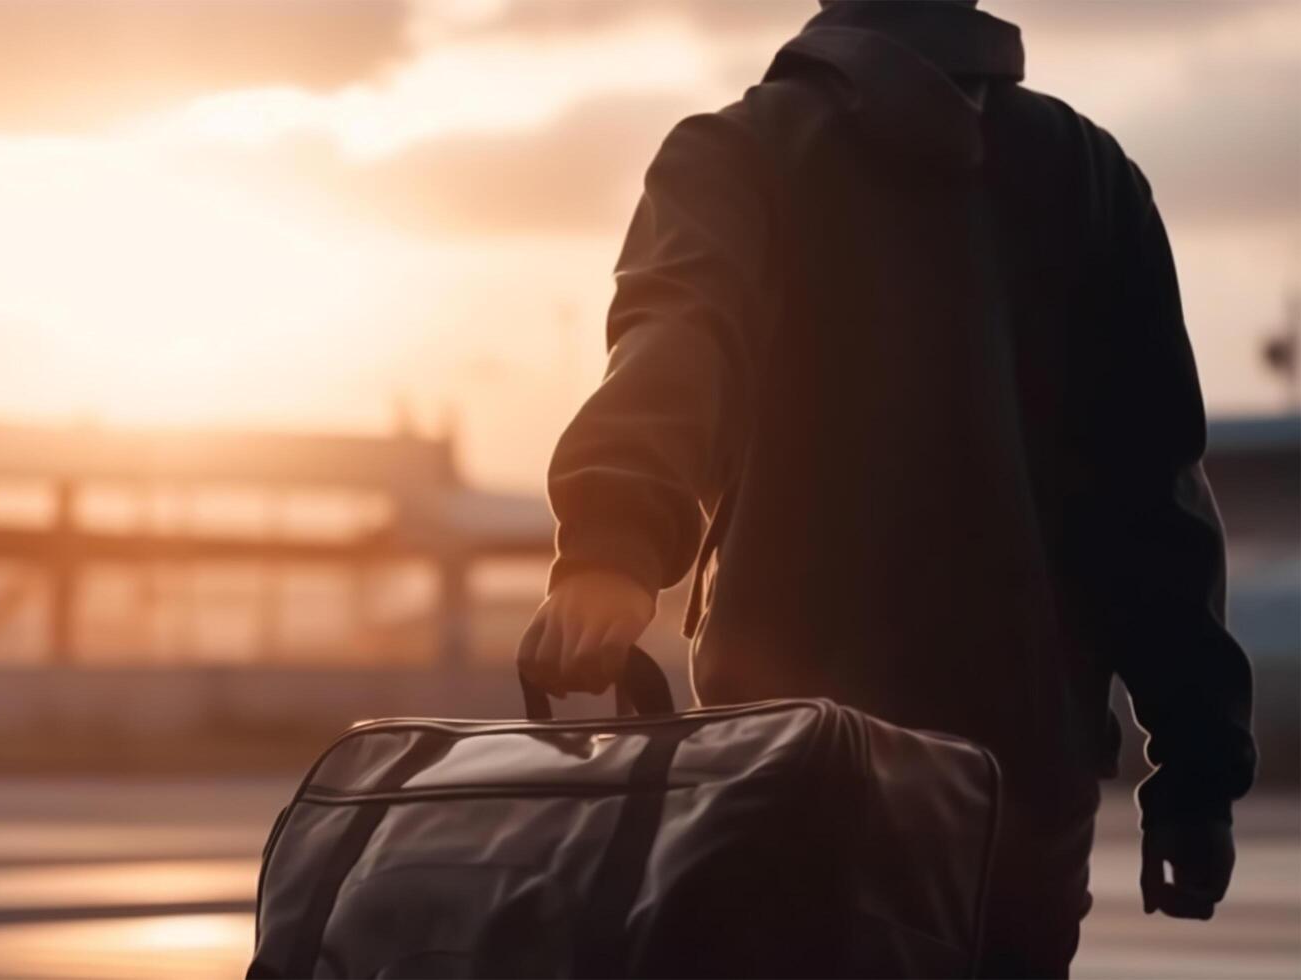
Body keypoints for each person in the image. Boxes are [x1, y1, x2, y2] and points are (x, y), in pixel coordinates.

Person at [515, 1, 1257, 975]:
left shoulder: (739, 152)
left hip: (787, 766)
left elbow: (680, 336)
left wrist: (612, 542)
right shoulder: (1089, 174)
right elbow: (1151, 495)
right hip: (1021, 787)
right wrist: (1198, 774)